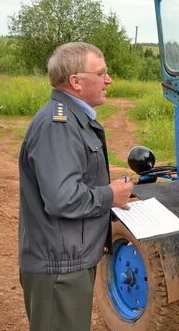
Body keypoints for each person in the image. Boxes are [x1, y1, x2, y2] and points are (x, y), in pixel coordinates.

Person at [18, 41, 133, 331]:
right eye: (101, 73)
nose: (109, 80)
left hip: (68, 259)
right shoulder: (58, 125)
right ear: (76, 82)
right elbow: (61, 198)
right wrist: (110, 195)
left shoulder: (70, 119)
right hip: (60, 266)